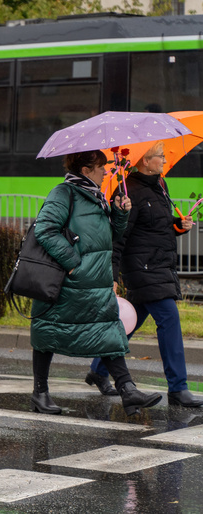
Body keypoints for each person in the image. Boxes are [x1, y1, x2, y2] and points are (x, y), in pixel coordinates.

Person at [31, 150, 162, 417]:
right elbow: (44, 229)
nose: (106, 172)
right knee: (48, 333)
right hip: (69, 283)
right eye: (101, 167)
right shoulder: (64, 193)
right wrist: (73, 263)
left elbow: (108, 237)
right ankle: (40, 393)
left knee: (107, 331)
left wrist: (120, 213)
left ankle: (128, 390)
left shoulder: (96, 195)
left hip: (94, 282)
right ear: (86, 169)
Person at [86, 142, 203, 407]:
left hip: (159, 266)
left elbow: (158, 228)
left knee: (129, 322)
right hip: (143, 269)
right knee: (170, 320)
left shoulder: (161, 187)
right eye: (160, 156)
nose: (164, 160)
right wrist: (112, 276)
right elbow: (119, 237)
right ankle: (178, 388)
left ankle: (98, 370)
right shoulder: (129, 192)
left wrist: (179, 225)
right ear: (145, 161)